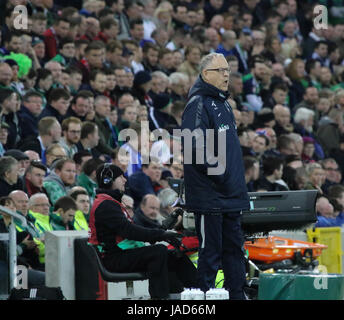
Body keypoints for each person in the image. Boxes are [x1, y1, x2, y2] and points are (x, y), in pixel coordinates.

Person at [181, 52, 249, 299]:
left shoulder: (223, 104)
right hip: (210, 195)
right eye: (220, 70)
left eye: (228, 70)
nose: (226, 75)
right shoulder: (198, 103)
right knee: (210, 252)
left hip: (231, 195)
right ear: (205, 74)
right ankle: (204, 297)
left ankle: (236, 295)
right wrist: (220, 175)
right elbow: (193, 147)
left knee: (234, 251)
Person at [88, 163, 197, 299]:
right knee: (158, 252)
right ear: (108, 180)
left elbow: (132, 231)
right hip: (113, 259)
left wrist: (162, 234)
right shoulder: (105, 205)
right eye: (121, 177)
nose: (125, 180)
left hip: (121, 254)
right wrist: (161, 235)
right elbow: (129, 231)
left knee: (174, 255)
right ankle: (160, 298)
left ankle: (200, 291)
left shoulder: (110, 202)